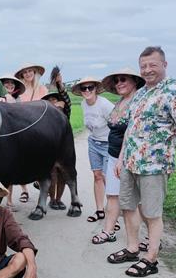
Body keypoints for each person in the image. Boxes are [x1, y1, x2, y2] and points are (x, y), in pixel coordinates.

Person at [109, 46, 176, 277]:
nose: (148, 70)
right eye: (144, 66)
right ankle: (132, 248)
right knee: (128, 206)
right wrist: (121, 158)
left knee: (151, 213)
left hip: (154, 165)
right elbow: (131, 128)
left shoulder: (174, 90)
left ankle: (150, 258)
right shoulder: (139, 93)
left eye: (153, 65)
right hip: (130, 163)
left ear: (164, 65)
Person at [91, 68, 145, 244]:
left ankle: (151, 239)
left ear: (135, 81)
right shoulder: (120, 102)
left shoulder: (139, 102)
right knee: (112, 195)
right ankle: (108, 231)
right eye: (116, 81)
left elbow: (133, 133)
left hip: (131, 158)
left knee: (139, 201)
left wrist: (122, 159)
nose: (119, 83)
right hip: (113, 155)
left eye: (123, 79)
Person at [72, 77, 114, 222]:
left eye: (90, 87)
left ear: (96, 89)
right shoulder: (83, 104)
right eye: (84, 88)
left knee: (109, 179)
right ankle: (100, 210)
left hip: (109, 144)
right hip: (94, 143)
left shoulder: (105, 105)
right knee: (97, 176)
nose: (87, 90)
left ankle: (112, 216)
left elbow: (117, 125)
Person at [13, 63, 49, 203]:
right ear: (22, 75)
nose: (28, 74)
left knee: (40, 158)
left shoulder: (42, 89)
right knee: (21, 159)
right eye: (25, 72)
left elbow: (47, 108)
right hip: (22, 128)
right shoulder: (18, 91)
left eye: (30, 71)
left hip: (39, 128)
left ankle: (40, 182)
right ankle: (24, 190)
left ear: (35, 73)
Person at [40, 67, 72, 210]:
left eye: (55, 99)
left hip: (65, 147)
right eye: (50, 100)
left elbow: (66, 98)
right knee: (51, 173)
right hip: (49, 147)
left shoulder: (65, 112)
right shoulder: (44, 115)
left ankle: (58, 199)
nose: (53, 102)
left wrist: (59, 84)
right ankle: (52, 199)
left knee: (64, 174)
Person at [0, 74, 26, 210]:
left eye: (12, 84)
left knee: (10, 171)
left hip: (14, 137)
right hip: (0, 137)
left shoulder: (18, 100)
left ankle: (9, 201)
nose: (9, 86)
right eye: (6, 83)